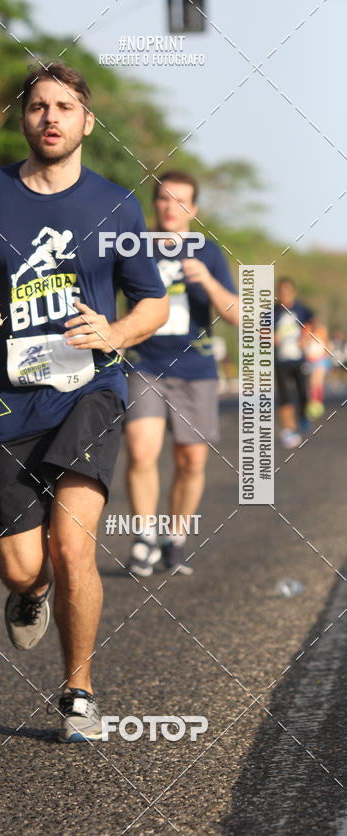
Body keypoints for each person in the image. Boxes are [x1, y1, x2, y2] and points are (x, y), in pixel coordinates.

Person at [0, 61, 168, 743]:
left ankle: (78, 692)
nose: (51, 117)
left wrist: (115, 332)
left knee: (74, 544)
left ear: (86, 121)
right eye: (39, 106)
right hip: (6, 399)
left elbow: (153, 301)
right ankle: (30, 594)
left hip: (89, 391)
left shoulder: (115, 204)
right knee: (23, 565)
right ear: (24, 118)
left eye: (65, 107)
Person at [125, 171, 239, 577]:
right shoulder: (133, 249)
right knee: (141, 450)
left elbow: (238, 315)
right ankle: (144, 539)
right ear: (154, 204)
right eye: (165, 199)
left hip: (195, 368)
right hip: (145, 364)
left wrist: (206, 280)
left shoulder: (208, 253)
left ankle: (175, 538)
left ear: (194, 209)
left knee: (190, 460)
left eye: (181, 201)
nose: (172, 207)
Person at [273, 277, 313, 448]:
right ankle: (289, 429)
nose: (285, 294)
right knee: (284, 396)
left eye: (288, 291)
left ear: (293, 292)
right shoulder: (272, 312)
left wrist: (305, 337)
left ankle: (303, 415)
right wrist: (270, 337)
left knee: (303, 393)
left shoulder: (301, 309)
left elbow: (311, 324)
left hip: (299, 359)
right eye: (281, 291)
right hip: (281, 360)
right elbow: (263, 332)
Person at [303, 315, 330, 421]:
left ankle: (316, 404)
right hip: (309, 360)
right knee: (311, 384)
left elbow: (326, 343)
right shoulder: (306, 329)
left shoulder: (322, 330)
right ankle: (315, 403)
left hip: (320, 359)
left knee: (316, 382)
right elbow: (303, 342)